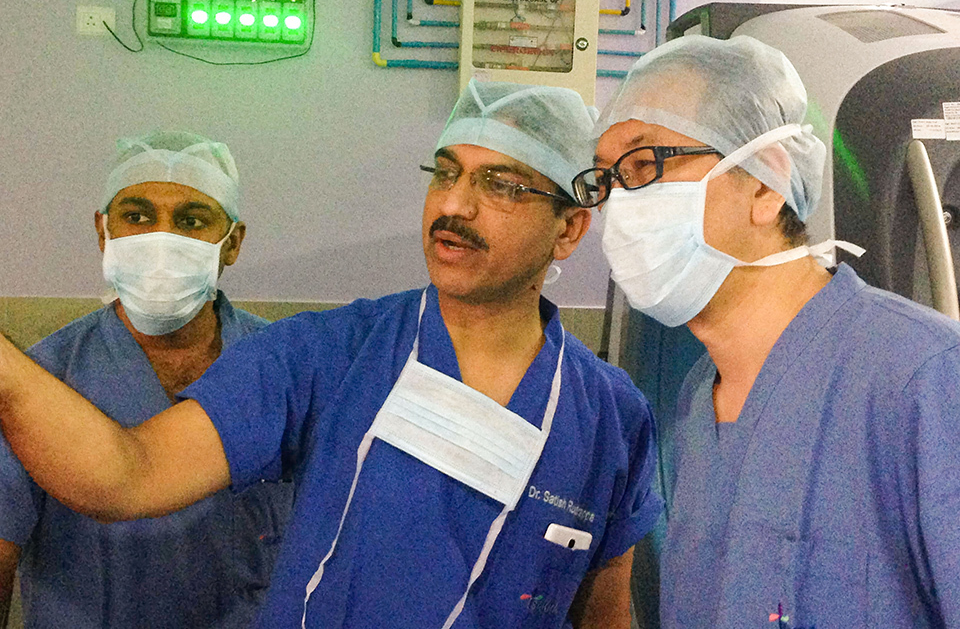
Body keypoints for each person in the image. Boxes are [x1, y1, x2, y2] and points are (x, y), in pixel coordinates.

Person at [0, 82, 663, 629]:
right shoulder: (328, 356)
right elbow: (129, 474)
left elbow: (604, 612)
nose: (455, 205)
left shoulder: (612, 416)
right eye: (446, 173)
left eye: (503, 185)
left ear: (569, 228)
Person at [571, 34, 960, 628]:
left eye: (644, 164)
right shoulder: (698, 399)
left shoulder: (923, 378)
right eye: (605, 181)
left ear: (764, 183)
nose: (618, 205)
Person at [0, 132, 293, 628]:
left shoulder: (286, 369)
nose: (161, 240)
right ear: (103, 232)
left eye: (191, 221)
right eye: (136, 217)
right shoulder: (44, 382)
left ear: (233, 243)